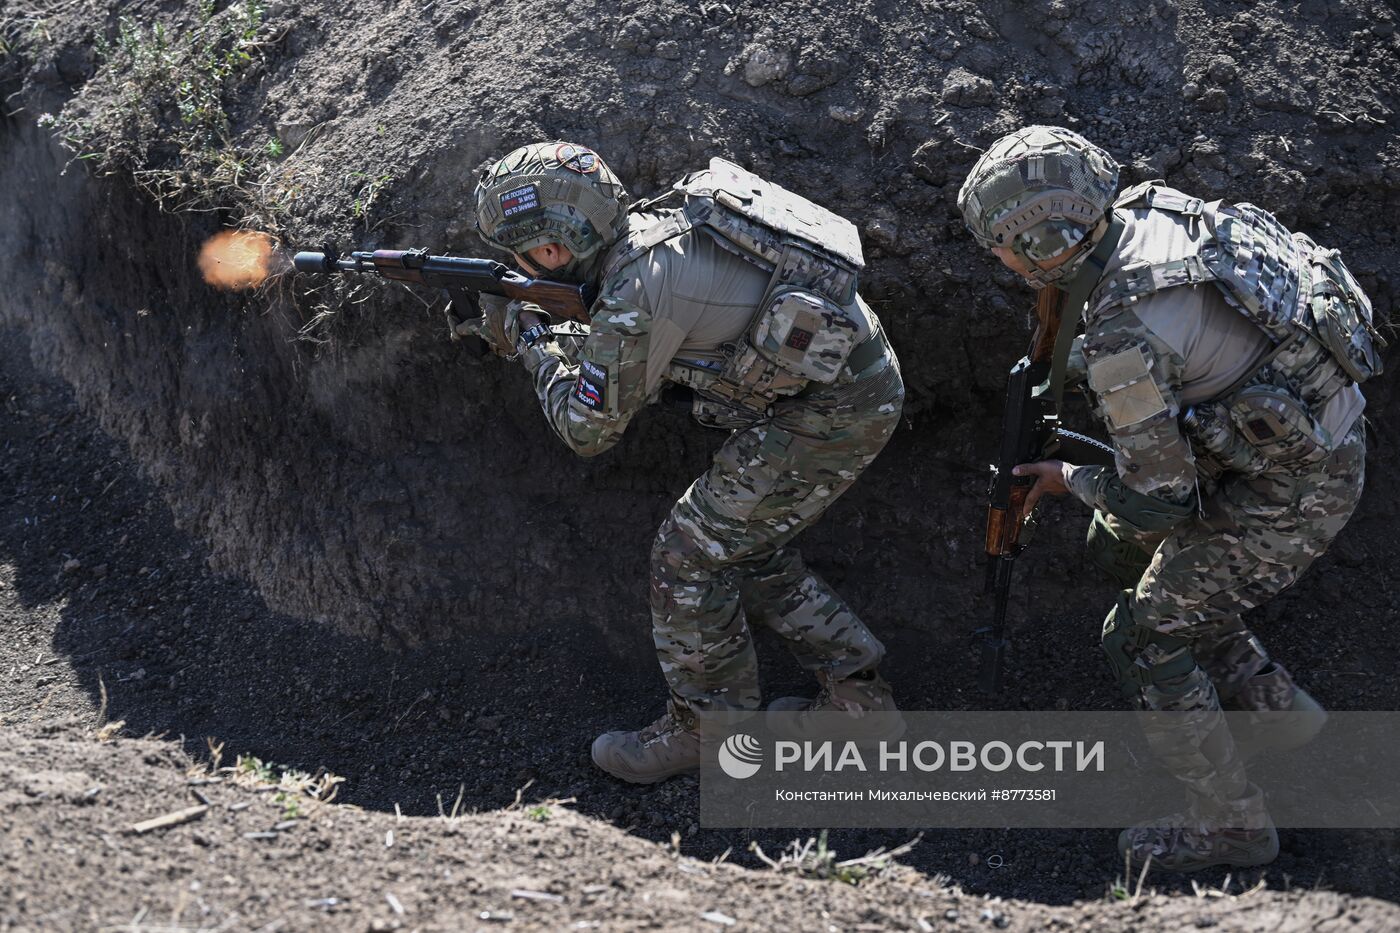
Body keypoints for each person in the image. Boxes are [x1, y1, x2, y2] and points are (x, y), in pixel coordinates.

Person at [957, 126, 1377, 871]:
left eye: (1002, 244)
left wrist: (1067, 480)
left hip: (1293, 495)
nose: (997, 257)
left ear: (1048, 244)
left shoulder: (1124, 328)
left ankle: (1232, 826)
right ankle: (1273, 708)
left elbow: (1158, 501)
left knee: (1141, 633)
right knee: (1122, 550)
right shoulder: (1154, 212)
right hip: (1308, 438)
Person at [466, 141, 905, 784]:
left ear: (553, 251)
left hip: (831, 414)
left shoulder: (638, 287)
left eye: (520, 254)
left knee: (688, 555)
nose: (518, 264)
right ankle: (859, 707)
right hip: (845, 389)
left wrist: (531, 342)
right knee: (747, 548)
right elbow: (632, 337)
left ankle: (709, 733)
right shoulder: (646, 238)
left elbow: (586, 430)